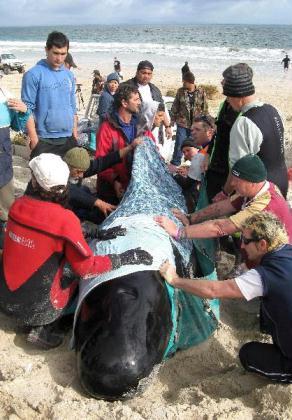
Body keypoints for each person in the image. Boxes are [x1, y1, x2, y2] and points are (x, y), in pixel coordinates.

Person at [0, 153, 152, 349]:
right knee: (74, 270)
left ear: (35, 183)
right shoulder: (66, 220)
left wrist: (93, 232)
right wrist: (123, 258)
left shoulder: (17, 206)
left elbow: (44, 234)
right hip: (36, 308)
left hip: (6, 297)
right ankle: (45, 327)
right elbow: (86, 268)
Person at [160, 212, 292, 383]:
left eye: (245, 240)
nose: (242, 246)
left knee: (248, 354)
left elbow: (214, 290)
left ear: (262, 244)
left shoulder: (265, 276)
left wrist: (175, 280)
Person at [155, 154, 292, 245]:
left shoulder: (263, 205)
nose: (232, 184)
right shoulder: (258, 189)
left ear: (252, 183)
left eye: (237, 181)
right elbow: (222, 207)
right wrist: (190, 218)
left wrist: (179, 232)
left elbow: (220, 227)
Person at [217, 63, 288, 199]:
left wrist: (225, 193)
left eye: (228, 96)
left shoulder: (243, 123)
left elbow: (237, 169)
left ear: (237, 95)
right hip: (281, 181)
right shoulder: (274, 110)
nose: (228, 101)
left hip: (261, 189)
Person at [21, 31, 77, 158]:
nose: (59, 58)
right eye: (55, 53)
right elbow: (26, 110)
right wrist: (34, 140)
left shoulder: (69, 75)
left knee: (68, 178)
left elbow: (73, 108)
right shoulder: (33, 74)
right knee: (44, 178)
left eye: (63, 54)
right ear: (46, 50)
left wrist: (74, 135)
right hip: (44, 139)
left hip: (68, 138)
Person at [95, 84, 154, 203]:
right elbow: (100, 161)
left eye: (139, 99)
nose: (139, 103)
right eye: (136, 99)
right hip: (112, 189)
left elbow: (153, 149)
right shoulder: (107, 128)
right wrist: (115, 180)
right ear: (124, 103)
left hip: (135, 186)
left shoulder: (141, 125)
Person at [63, 140, 142, 223]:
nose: (81, 175)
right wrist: (98, 202)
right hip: (62, 204)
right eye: (78, 171)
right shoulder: (57, 176)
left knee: (86, 192)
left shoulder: (75, 168)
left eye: (83, 172)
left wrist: (130, 147)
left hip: (74, 196)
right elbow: (70, 191)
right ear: (68, 165)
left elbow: (104, 161)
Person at [0, 73, 31, 248]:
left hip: (3, 162)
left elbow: (17, 126)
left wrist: (23, 111)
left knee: (5, 210)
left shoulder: (5, 96)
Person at [122, 60, 172, 140]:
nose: (146, 76)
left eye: (149, 74)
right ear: (137, 72)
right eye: (143, 73)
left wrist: (167, 126)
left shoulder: (155, 90)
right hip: (132, 129)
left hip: (153, 130)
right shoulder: (126, 87)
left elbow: (162, 109)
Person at [170, 71, 208, 168]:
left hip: (196, 124)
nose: (183, 83)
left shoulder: (201, 92)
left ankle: (194, 164)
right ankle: (175, 164)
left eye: (185, 82)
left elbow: (205, 108)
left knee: (195, 145)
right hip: (182, 123)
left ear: (190, 82)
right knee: (179, 143)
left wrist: (205, 121)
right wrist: (172, 119)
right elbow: (175, 105)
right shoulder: (181, 91)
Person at [205, 99, 239, 202]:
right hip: (215, 166)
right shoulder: (224, 104)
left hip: (228, 171)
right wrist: (208, 154)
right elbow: (217, 133)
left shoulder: (242, 111)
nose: (222, 82)